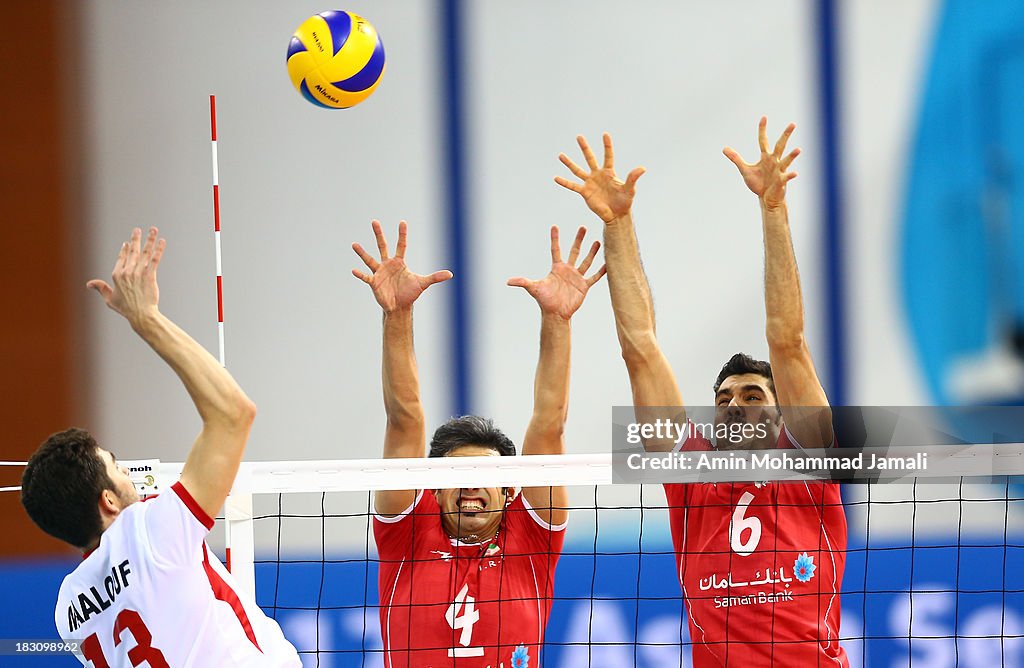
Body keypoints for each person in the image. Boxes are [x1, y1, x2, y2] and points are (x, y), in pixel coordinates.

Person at [556, 120, 849, 666]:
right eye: (724, 399)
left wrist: (772, 211)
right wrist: (618, 225)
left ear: (781, 413)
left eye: (753, 396)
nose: (735, 405)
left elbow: (787, 341)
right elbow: (639, 349)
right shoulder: (690, 473)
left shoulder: (810, 458)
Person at [21, 228, 301, 667]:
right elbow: (233, 414)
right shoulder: (152, 531)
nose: (128, 471)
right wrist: (145, 318)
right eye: (115, 465)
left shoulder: (68, 610)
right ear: (108, 501)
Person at [352, 220, 604, 668]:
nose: (471, 487)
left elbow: (550, 426)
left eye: (485, 476)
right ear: (432, 487)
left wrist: (558, 321)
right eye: (456, 475)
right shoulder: (406, 533)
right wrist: (397, 316)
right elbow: (404, 419)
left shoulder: (531, 537)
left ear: (510, 490)